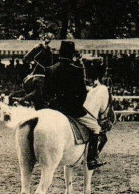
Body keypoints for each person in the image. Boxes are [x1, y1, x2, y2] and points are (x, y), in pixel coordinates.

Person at [43, 41, 104, 170]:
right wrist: (76, 105)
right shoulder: (77, 70)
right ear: (72, 54)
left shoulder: (50, 69)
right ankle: (92, 159)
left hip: (54, 109)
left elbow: (45, 93)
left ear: (60, 53)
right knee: (96, 128)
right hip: (72, 109)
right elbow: (82, 94)